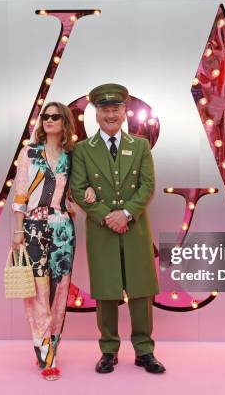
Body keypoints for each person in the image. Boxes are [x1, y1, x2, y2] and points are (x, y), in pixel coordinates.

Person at [69, 84, 166, 374]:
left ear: (125, 112)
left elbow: (147, 186)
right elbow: (77, 188)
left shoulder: (140, 146)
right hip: (102, 229)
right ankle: (108, 351)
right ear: (95, 114)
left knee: (141, 290)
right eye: (104, 109)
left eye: (116, 109)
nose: (110, 114)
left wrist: (125, 214)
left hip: (134, 228)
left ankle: (144, 351)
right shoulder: (83, 149)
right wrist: (106, 216)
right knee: (106, 291)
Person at [11, 101, 96, 381]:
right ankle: (45, 355)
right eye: (45, 116)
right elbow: (21, 194)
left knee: (59, 293)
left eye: (54, 117)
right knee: (37, 292)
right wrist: (17, 231)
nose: (48, 120)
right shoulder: (30, 152)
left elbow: (73, 194)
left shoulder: (71, 156)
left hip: (62, 230)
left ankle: (51, 348)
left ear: (64, 122)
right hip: (33, 227)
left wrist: (88, 196)